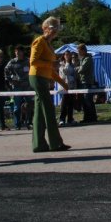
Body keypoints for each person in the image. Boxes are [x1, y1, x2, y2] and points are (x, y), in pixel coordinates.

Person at [28, 17, 71, 153]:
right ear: (45, 28)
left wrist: (62, 82)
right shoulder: (39, 41)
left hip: (42, 77)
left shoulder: (48, 44)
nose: (54, 31)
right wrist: (50, 64)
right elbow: (33, 61)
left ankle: (39, 144)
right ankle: (56, 143)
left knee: (40, 113)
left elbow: (49, 70)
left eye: (56, 28)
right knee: (48, 110)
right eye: (52, 28)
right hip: (37, 77)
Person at [5, 45, 32, 130]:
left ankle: (29, 122)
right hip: (17, 87)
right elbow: (6, 71)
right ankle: (17, 124)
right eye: (16, 52)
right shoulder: (12, 62)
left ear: (22, 52)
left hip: (28, 86)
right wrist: (10, 81)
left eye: (19, 51)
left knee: (30, 105)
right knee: (16, 107)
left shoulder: (28, 61)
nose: (17, 53)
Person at [76, 43, 98, 123]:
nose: (78, 53)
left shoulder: (88, 59)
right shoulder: (83, 58)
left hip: (87, 82)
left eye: (79, 51)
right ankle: (87, 118)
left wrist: (76, 69)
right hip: (83, 82)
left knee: (88, 100)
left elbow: (81, 69)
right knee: (85, 101)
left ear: (83, 50)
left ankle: (92, 118)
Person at [58, 50, 78, 126]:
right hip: (64, 87)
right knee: (64, 103)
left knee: (71, 104)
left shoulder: (73, 65)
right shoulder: (61, 64)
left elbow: (75, 75)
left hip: (72, 87)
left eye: (69, 55)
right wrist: (67, 63)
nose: (67, 56)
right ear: (64, 56)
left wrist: (75, 88)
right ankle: (61, 119)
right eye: (66, 54)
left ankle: (70, 119)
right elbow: (64, 73)